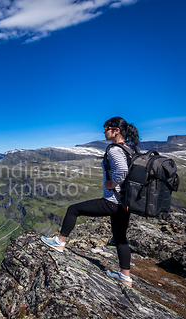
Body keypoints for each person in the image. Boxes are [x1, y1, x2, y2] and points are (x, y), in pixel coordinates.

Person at [41, 116, 140, 287]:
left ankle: (59, 242)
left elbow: (122, 170)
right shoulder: (129, 149)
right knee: (120, 238)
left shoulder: (114, 149)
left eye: (106, 128)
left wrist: (112, 183)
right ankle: (125, 276)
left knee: (73, 210)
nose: (104, 131)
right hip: (125, 204)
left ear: (116, 130)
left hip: (112, 201)